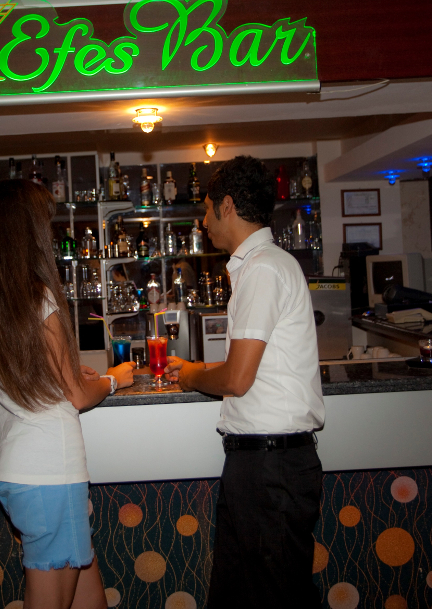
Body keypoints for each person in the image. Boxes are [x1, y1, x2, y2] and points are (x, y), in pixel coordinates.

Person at [0, 179, 135, 609]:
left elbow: (4, 375)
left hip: (18, 468)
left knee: (88, 596)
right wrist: (114, 379)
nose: (52, 232)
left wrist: (62, 371)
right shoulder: (39, 299)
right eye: (45, 222)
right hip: (49, 472)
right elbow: (77, 396)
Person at [164, 156, 325, 608]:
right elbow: (250, 368)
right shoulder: (261, 266)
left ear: (228, 206)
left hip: (271, 468)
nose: (203, 221)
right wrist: (200, 369)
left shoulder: (262, 269)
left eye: (207, 209)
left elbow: (237, 378)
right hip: (262, 466)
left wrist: (191, 375)